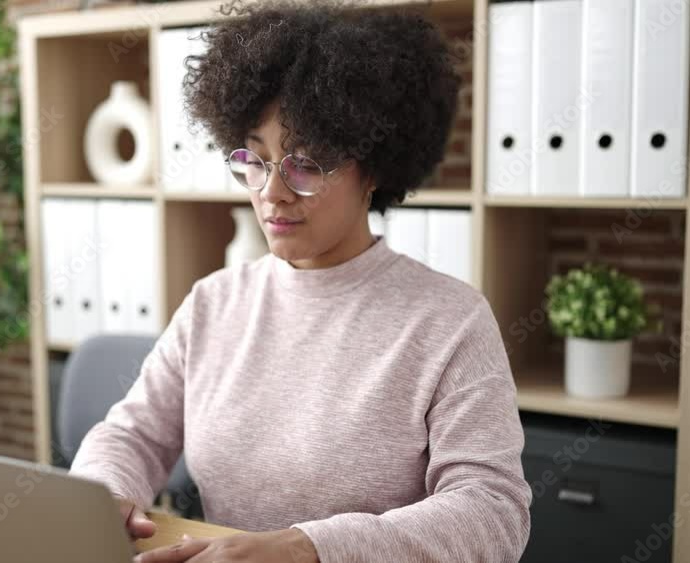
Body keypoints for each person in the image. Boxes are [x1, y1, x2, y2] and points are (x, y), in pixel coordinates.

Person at [70, 1, 532, 561]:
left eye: (306, 164)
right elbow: (131, 435)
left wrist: (309, 548)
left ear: (375, 168)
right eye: (255, 160)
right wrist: (106, 490)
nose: (272, 191)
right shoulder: (213, 304)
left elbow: (492, 512)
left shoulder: (449, 322)